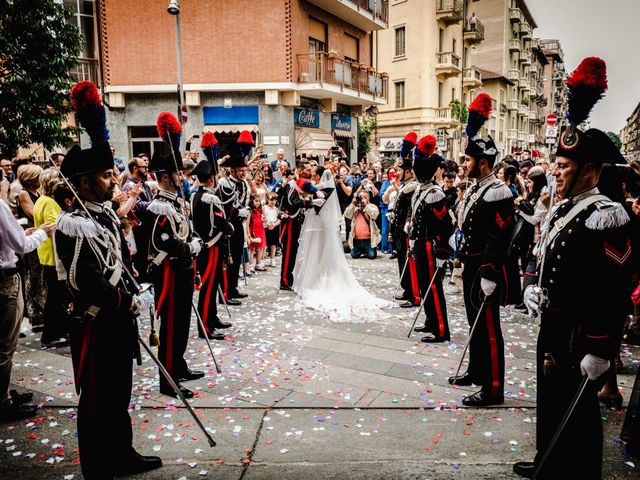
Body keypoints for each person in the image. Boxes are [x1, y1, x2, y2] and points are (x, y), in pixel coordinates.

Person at [514, 58, 635, 479]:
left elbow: (613, 289)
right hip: (554, 322)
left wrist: (601, 349)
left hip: (581, 332)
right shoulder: (566, 209)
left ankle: (579, 471)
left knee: (579, 411)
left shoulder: (607, 214)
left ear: (588, 170)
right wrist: (531, 285)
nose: (555, 173)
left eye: (563, 167)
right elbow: (544, 255)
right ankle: (551, 459)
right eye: (556, 165)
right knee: (551, 397)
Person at [54, 81, 161, 477]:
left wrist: (136, 291)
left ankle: (121, 452)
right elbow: (87, 281)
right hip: (98, 322)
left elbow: (120, 261)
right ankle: (98, 465)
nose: (111, 180)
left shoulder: (101, 215)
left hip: (119, 319)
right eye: (103, 175)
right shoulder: (73, 223)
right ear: (82, 183)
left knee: (119, 392)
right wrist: (124, 301)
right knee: (97, 398)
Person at [448, 93, 514, 407]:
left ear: (484, 162)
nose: (465, 165)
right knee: (474, 322)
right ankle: (476, 372)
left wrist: (489, 272)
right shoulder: (478, 187)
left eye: (469, 160)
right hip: (471, 265)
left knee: (488, 329)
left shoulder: (498, 191)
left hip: (485, 269)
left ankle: (493, 388)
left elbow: (499, 237)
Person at [147, 112, 204, 399]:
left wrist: (194, 242)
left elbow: (187, 229)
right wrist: (190, 248)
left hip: (183, 270)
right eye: (178, 172)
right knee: (170, 327)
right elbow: (165, 241)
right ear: (165, 176)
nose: (182, 176)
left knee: (182, 323)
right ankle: (167, 380)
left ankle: (178, 366)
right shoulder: (159, 205)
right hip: (169, 272)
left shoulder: (177, 202)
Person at [292, 169, 392, 322]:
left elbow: (317, 203)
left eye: (314, 173)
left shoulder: (322, 189)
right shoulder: (323, 188)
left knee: (318, 250)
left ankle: (317, 278)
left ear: (318, 176)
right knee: (323, 251)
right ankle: (320, 274)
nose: (312, 175)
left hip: (319, 224)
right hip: (324, 225)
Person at [0, 200, 53, 422]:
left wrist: (23, 233)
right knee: (4, 346)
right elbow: (22, 245)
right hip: (4, 282)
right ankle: (3, 403)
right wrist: (42, 233)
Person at [409, 136, 454, 343]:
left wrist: (442, 250)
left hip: (430, 245)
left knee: (433, 287)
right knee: (423, 285)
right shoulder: (421, 189)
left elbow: (443, 225)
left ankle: (441, 330)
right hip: (419, 243)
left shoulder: (435, 193)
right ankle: (430, 321)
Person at [190, 159, 233, 340]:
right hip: (211, 246)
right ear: (211, 179)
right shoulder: (211, 198)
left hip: (205, 245)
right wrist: (230, 227)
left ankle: (212, 318)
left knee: (213, 284)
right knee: (208, 287)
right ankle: (204, 326)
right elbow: (218, 222)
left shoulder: (195, 196)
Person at [33, 168, 70, 347]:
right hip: (52, 255)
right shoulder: (49, 203)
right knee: (56, 297)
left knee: (55, 296)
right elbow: (54, 228)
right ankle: (51, 334)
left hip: (46, 253)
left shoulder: (42, 199)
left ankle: (56, 331)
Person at [215, 131, 253, 302]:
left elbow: (246, 200)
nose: (243, 173)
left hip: (238, 225)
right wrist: (238, 212)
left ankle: (233, 287)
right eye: (240, 170)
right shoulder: (225, 183)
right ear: (232, 170)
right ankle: (225, 292)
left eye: (244, 170)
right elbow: (224, 206)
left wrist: (246, 211)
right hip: (227, 226)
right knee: (228, 259)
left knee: (237, 257)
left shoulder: (243, 183)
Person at [277, 161, 323, 290]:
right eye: (308, 169)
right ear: (300, 170)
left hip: (298, 221)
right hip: (291, 221)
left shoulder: (304, 184)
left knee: (295, 252)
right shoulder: (292, 184)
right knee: (289, 252)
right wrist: (311, 203)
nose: (310, 172)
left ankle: (290, 279)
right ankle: (285, 281)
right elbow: (293, 202)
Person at [391, 132, 421, 308]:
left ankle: (414, 295)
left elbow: (410, 212)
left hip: (406, 230)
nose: (397, 173)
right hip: (399, 230)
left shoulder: (412, 187)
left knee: (409, 262)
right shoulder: (405, 186)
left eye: (400, 170)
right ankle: (407, 289)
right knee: (402, 261)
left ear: (409, 171)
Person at [122, 157, 154, 281]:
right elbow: (136, 205)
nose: (146, 169)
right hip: (137, 228)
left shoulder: (143, 183)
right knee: (139, 257)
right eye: (144, 167)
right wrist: (153, 204)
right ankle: (140, 280)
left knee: (145, 256)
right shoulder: (130, 185)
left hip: (146, 226)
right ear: (135, 168)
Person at [344, 191, 380, 259]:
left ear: (368, 198)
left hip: (368, 239)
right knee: (354, 255)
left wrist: (366, 205)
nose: (362, 199)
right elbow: (347, 215)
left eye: (365, 197)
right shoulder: (355, 207)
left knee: (372, 256)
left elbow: (374, 216)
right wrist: (352, 204)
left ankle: (367, 250)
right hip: (357, 240)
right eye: (361, 197)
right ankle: (363, 250)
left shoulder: (372, 206)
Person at [248, 193, 267, 271]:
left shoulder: (260, 210)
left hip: (260, 229)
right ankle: (251, 265)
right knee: (252, 249)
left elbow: (261, 219)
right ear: (251, 201)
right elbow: (248, 222)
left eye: (259, 201)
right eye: (256, 201)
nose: (258, 202)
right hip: (253, 230)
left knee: (260, 248)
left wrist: (264, 220)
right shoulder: (250, 211)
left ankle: (258, 264)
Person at [262, 192, 280, 267]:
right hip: (266, 227)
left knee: (273, 244)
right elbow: (262, 217)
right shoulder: (264, 208)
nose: (273, 202)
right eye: (271, 200)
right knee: (264, 245)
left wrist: (274, 225)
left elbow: (279, 219)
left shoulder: (276, 209)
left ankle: (272, 259)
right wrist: (267, 224)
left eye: (274, 200)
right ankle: (261, 259)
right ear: (267, 200)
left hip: (274, 227)